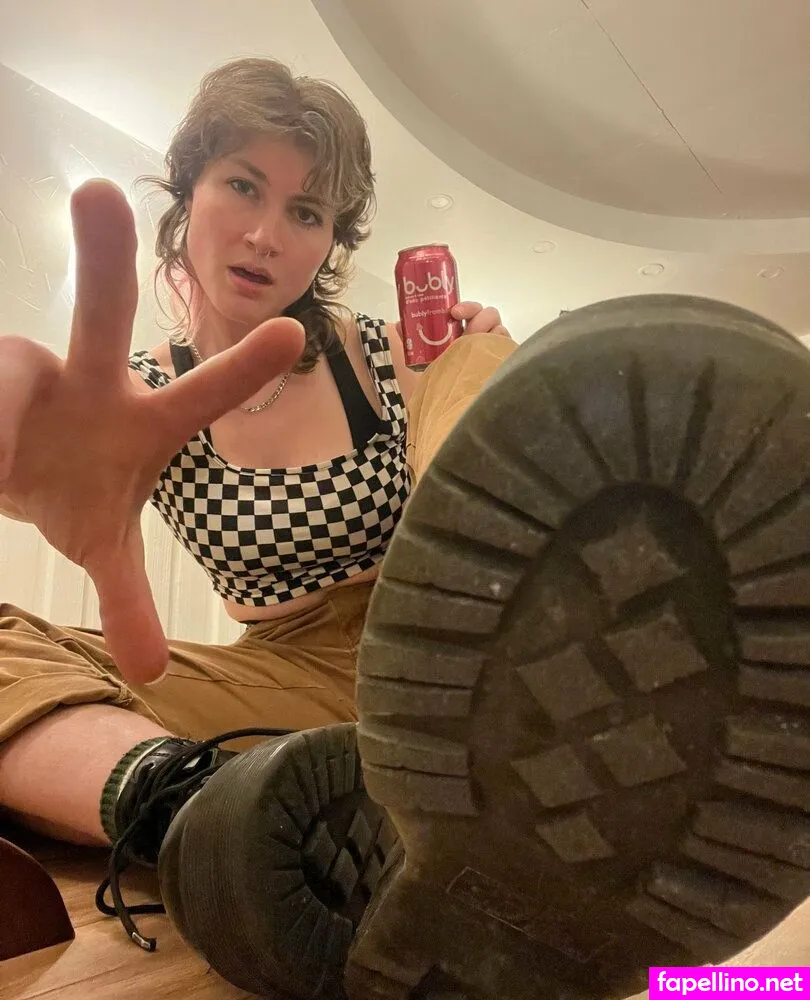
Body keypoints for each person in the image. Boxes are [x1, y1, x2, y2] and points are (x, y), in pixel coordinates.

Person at [0, 56, 807, 1000]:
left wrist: (464, 378)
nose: (267, 234)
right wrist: (31, 465)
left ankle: (594, 564)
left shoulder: (386, 356)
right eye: (243, 186)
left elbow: (461, 408)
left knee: (472, 351)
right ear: (189, 191)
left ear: (331, 241)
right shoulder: (139, 396)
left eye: (307, 212)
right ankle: (203, 812)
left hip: (478, 651)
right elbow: (65, 462)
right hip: (290, 685)